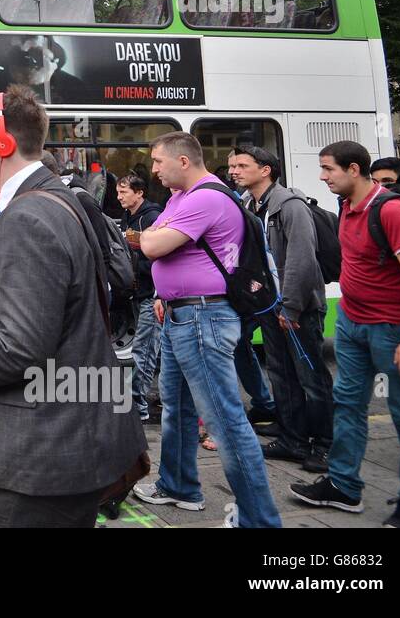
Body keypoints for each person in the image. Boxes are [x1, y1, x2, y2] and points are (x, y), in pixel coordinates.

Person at [0, 87, 146, 528]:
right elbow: (53, 308)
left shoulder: (26, 218)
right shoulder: (50, 199)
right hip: (60, 445)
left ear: (3, 142)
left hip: (40, 457)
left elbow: (22, 347)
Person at [130, 131, 281, 527]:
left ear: (183, 161)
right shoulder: (181, 198)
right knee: (177, 407)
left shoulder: (206, 197)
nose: (154, 169)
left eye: (159, 161)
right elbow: (153, 236)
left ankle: (258, 520)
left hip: (203, 319)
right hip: (180, 315)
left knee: (225, 421)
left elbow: (151, 245)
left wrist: (151, 238)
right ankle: (180, 485)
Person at [291, 141, 400, 528]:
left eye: (328, 169)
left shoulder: (392, 210)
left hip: (394, 328)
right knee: (348, 404)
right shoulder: (347, 205)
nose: (322, 177)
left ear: (354, 169)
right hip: (352, 324)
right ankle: (343, 485)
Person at [228, 145, 333, 473]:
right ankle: (293, 437)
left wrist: (291, 307)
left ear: (266, 170)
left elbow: (302, 260)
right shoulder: (249, 204)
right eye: (232, 166)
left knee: (311, 378)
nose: (234, 171)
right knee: (281, 375)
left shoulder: (289, 206)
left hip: (297, 309)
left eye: (242, 165)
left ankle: (326, 444)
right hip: (269, 306)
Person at [117, 173, 163, 423]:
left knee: (143, 352)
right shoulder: (129, 216)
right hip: (138, 291)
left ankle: (138, 406)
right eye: (118, 192)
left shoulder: (152, 217)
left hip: (151, 294)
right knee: (153, 349)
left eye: (124, 192)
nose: (119, 197)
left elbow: (157, 258)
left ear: (139, 193)